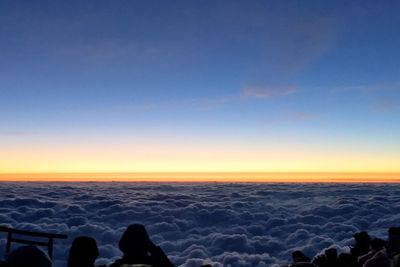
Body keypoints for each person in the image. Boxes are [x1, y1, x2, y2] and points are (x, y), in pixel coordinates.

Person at [110, 224, 174, 267]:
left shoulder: (116, 266)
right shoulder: (157, 264)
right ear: (146, 245)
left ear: (123, 245)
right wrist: (153, 248)